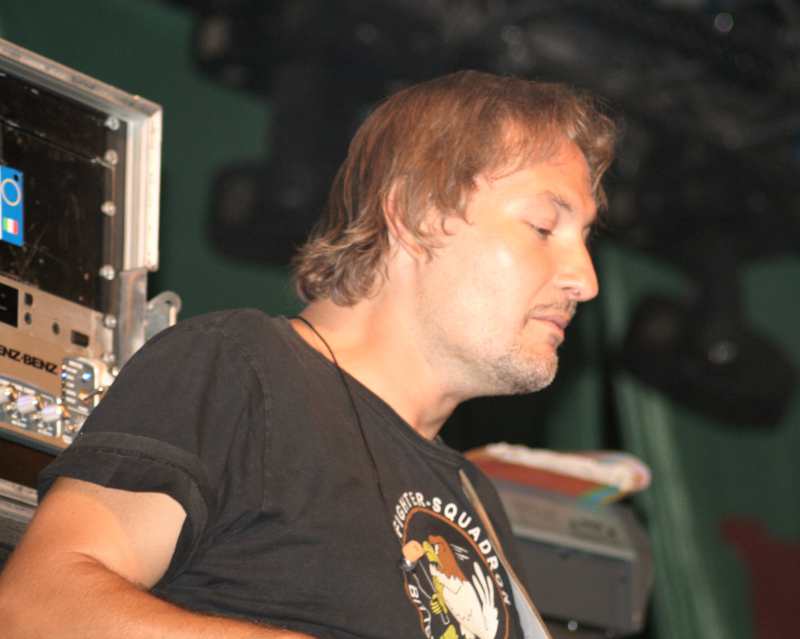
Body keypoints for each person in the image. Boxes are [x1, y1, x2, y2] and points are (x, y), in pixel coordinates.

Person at [0, 70, 616, 638]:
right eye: (544, 227)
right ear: (417, 214)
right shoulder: (239, 368)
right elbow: (36, 605)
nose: (585, 280)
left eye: (586, 239)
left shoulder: (473, 498)